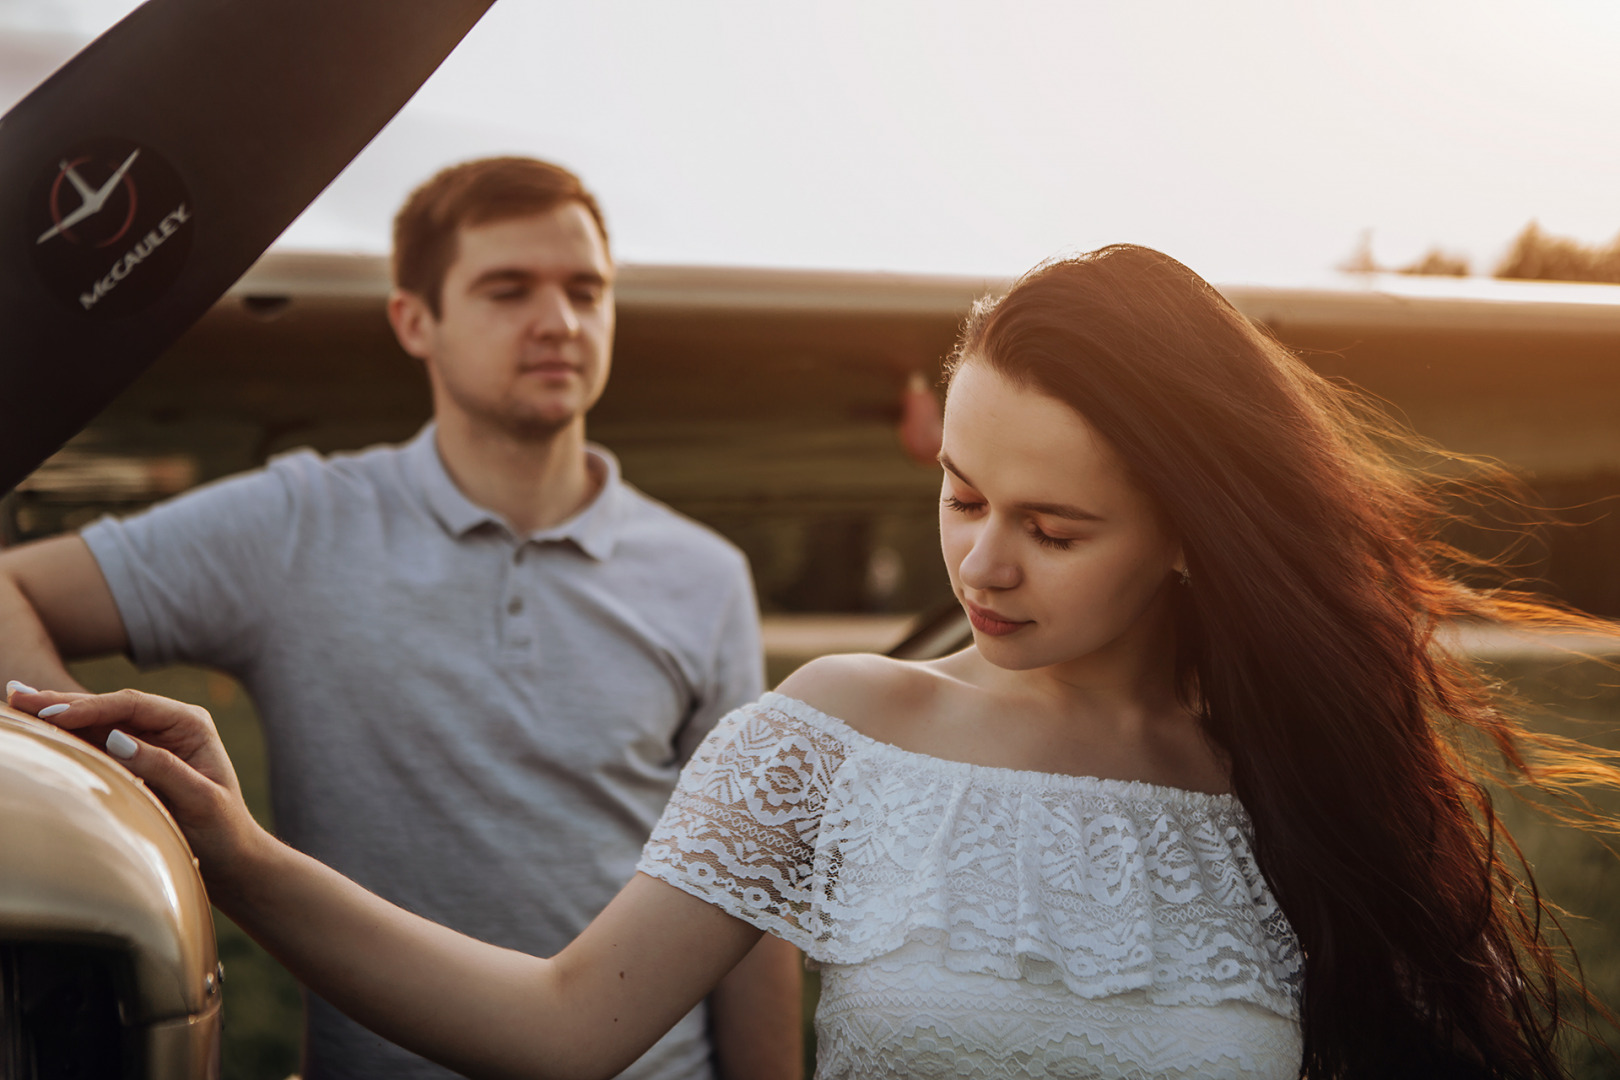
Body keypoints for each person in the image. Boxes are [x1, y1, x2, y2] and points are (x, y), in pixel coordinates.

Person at [17, 244, 1617, 1079]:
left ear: (1191, 531)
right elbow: (563, 1024)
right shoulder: (836, 730)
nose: (983, 564)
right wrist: (239, 856)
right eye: (960, 494)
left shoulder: (1299, 791)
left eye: (1054, 530)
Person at [0, 157, 803, 1080]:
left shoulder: (706, 576)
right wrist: (113, 792)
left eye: (587, 289)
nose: (559, 321)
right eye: (509, 289)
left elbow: (748, 899)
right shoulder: (298, 521)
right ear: (414, 320)